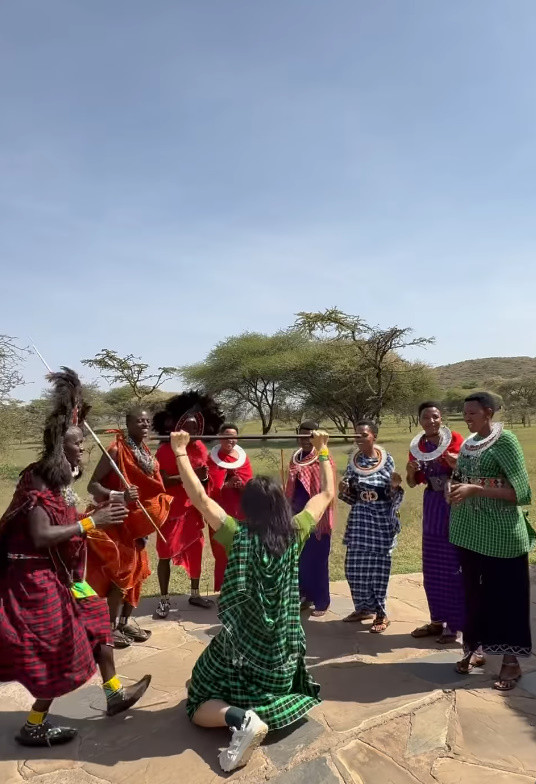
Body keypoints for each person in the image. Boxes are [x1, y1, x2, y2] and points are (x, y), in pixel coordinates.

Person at [0, 369, 151, 746]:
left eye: (83, 443)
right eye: (78, 443)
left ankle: (114, 694)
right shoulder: (39, 478)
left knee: (98, 618)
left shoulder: (61, 479)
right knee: (61, 648)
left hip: (63, 575)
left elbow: (69, 519)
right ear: (60, 447)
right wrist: (91, 524)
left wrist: (105, 506)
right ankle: (34, 724)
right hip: (33, 578)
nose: (83, 449)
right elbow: (39, 535)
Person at [170, 428, 334, 773]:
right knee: (211, 680)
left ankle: (242, 719)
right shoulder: (297, 529)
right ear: (281, 504)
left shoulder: (236, 534)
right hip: (282, 651)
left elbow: (200, 498)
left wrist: (180, 451)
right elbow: (327, 492)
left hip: (243, 649)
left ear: (248, 506)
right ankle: (263, 709)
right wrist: (322, 450)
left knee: (197, 699)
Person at [448, 392, 534, 690]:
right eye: (464, 413)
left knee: (507, 598)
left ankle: (511, 662)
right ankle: (475, 649)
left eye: (472, 413)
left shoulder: (506, 441)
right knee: (474, 594)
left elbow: (522, 494)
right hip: (468, 533)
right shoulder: (470, 444)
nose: (466, 418)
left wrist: (475, 489)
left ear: (488, 412)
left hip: (501, 536)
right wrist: (455, 486)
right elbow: (463, 478)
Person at [86, 408, 172, 648]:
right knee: (120, 575)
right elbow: (92, 487)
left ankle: (125, 622)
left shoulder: (144, 450)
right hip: (119, 522)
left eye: (147, 420)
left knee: (137, 573)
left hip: (138, 525)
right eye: (139, 421)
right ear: (128, 423)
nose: (144, 424)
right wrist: (119, 495)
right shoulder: (115, 450)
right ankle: (110, 628)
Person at [152, 392, 225, 617]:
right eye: (188, 427)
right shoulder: (166, 449)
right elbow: (161, 480)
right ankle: (163, 599)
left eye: (195, 428)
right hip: (172, 511)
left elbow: (204, 480)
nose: (191, 432)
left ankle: (195, 593)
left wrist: (203, 478)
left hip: (193, 511)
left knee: (196, 551)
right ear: (179, 426)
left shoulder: (200, 448)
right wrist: (190, 475)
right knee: (164, 553)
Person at [406, 402, 465, 644]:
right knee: (432, 564)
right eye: (425, 418)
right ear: (419, 421)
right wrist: (410, 471)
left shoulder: (456, 439)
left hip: (454, 503)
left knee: (453, 565)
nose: (431, 421)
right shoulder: (418, 446)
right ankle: (436, 621)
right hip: (432, 504)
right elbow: (412, 482)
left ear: (442, 418)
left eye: (435, 416)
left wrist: (455, 462)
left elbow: (467, 471)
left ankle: (455, 625)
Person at [339, 420, 403, 633]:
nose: (359, 438)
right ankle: (363, 608)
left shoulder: (386, 460)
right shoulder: (354, 460)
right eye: (356, 434)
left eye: (363, 435)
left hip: (380, 521)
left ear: (373, 436)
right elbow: (350, 494)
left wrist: (394, 486)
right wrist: (344, 487)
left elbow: (392, 491)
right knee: (354, 568)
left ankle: (381, 614)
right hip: (360, 520)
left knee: (378, 570)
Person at [285, 419, 336, 616]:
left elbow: (326, 487)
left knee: (318, 560)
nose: (306, 439)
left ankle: (322, 601)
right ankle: (305, 596)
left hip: (317, 516)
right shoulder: (295, 456)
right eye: (302, 434)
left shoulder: (323, 457)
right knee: (300, 560)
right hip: (297, 515)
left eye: (311, 435)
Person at [207, 423, 254, 592]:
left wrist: (242, 485)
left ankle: (242, 588)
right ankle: (224, 589)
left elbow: (250, 483)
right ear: (220, 437)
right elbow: (207, 487)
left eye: (234, 437)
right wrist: (225, 485)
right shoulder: (211, 459)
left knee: (241, 550)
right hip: (219, 511)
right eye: (227, 436)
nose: (230, 440)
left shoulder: (243, 458)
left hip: (240, 511)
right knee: (221, 551)